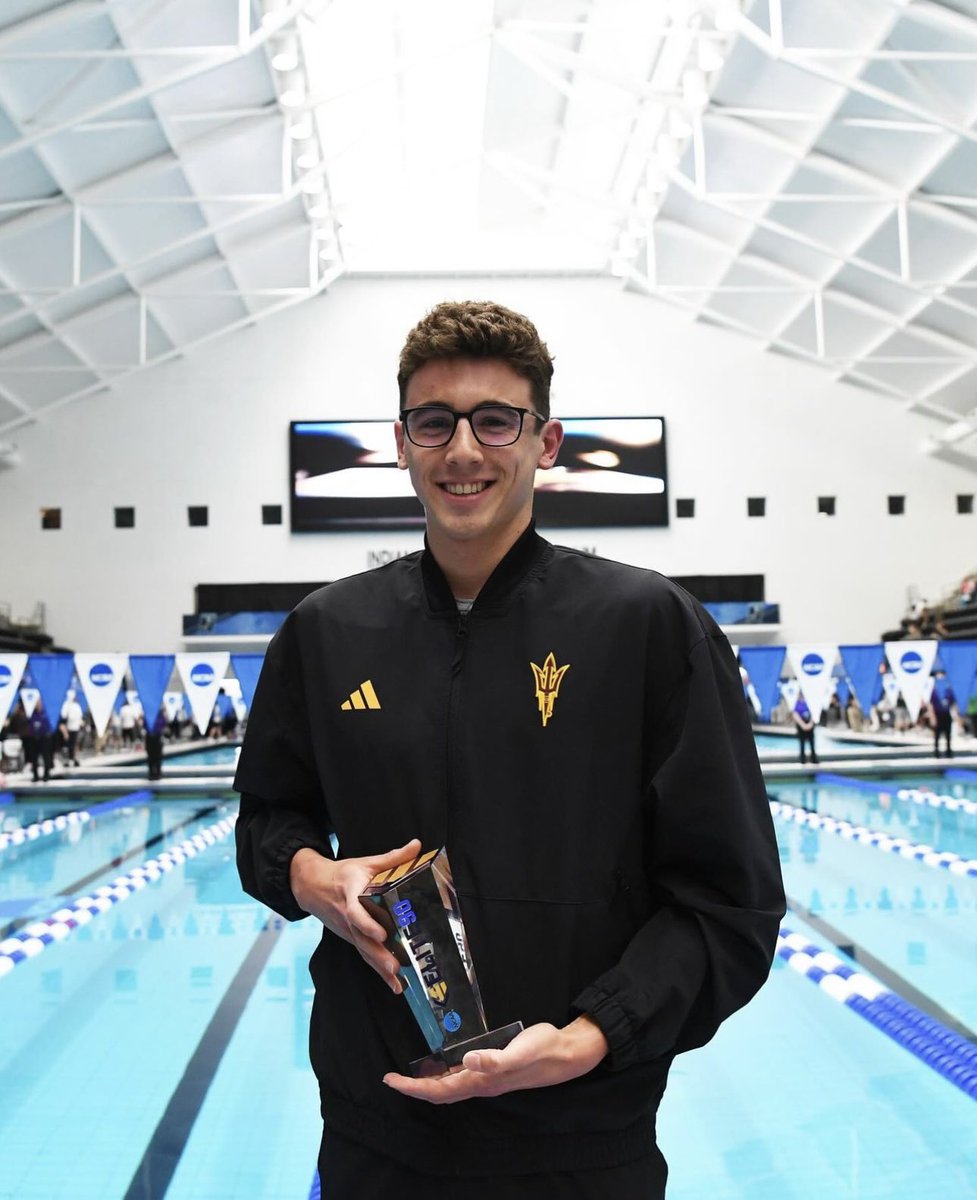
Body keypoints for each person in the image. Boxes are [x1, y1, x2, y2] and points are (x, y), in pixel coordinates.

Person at [234, 300, 785, 1199]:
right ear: (402, 442)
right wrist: (308, 875)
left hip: (582, 1141)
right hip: (379, 1134)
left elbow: (730, 904)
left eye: (496, 421)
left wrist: (587, 1037)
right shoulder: (325, 632)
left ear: (546, 441)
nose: (462, 450)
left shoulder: (646, 627)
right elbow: (265, 821)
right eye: (433, 421)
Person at [926, 669, 957, 758]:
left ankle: (948, 752)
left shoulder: (948, 689)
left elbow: (953, 703)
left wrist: (956, 715)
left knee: (948, 735)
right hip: (938, 714)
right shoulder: (934, 690)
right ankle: (936, 753)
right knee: (937, 735)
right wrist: (932, 717)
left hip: (946, 714)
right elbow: (931, 704)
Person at [791, 696, 818, 764]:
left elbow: (814, 712)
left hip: (810, 724)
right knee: (802, 743)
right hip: (801, 725)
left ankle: (814, 758)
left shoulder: (811, 701)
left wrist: (810, 724)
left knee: (812, 743)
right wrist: (803, 725)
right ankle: (802, 759)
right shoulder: (795, 702)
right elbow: (795, 714)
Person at [60, 691, 84, 766]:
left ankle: (73, 758)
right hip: (68, 728)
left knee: (74, 744)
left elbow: (79, 717)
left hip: (75, 728)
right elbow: (64, 716)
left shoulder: (76, 706)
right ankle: (70, 759)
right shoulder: (67, 705)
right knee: (69, 745)